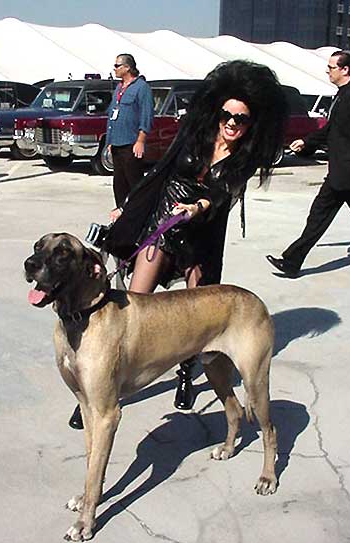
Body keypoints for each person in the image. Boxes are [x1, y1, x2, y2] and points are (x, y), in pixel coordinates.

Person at [68, 60, 287, 429]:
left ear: (252, 123)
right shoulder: (195, 134)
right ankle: (100, 387)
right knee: (132, 304)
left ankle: (185, 376)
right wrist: (128, 207)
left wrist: (197, 207)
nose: (232, 122)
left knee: (197, 316)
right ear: (215, 111)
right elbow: (160, 172)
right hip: (163, 227)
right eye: (227, 114)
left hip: (203, 234)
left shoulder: (245, 157)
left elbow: (222, 194)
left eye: (242, 118)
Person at [266, 50, 350, 278]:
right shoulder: (343, 94)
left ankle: (291, 262)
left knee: (321, 215)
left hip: (347, 172)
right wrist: (307, 142)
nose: (327, 71)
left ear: (345, 69)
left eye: (331, 67)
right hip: (343, 170)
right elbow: (332, 129)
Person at [106, 53, 154, 208]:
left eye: (117, 66)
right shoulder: (119, 88)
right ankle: (121, 215)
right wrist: (110, 141)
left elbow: (146, 116)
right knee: (119, 185)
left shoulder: (141, 88)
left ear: (127, 67)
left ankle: (138, 216)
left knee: (134, 184)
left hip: (131, 144)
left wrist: (140, 140)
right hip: (117, 144)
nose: (114, 69)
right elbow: (112, 115)